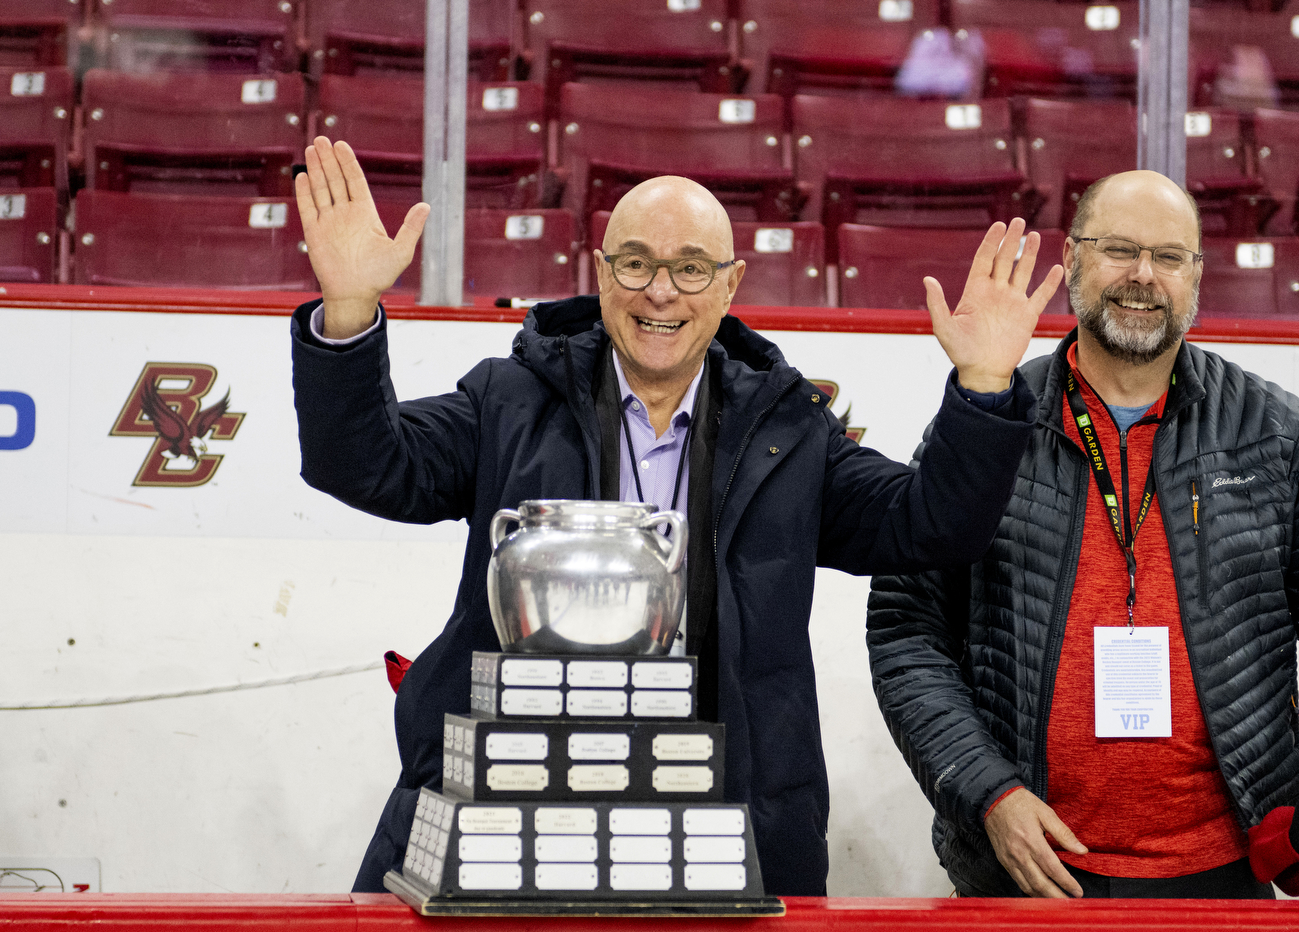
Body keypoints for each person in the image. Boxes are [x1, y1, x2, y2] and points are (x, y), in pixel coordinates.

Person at [290, 135, 1062, 895]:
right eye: (636, 264)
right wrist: (351, 309)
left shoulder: (788, 431)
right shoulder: (509, 401)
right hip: (518, 819)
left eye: (691, 269)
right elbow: (365, 465)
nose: (661, 293)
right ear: (600, 273)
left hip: (724, 827)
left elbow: (929, 526)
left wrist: (985, 386)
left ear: (730, 287)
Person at [866, 169, 1299, 899]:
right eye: (1119, 249)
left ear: (1197, 275)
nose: (1144, 276)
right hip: (1030, 873)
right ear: (1074, 259)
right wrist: (990, 796)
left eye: (1169, 257)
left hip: (1228, 874)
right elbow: (907, 635)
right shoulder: (989, 423)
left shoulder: (1278, 434)